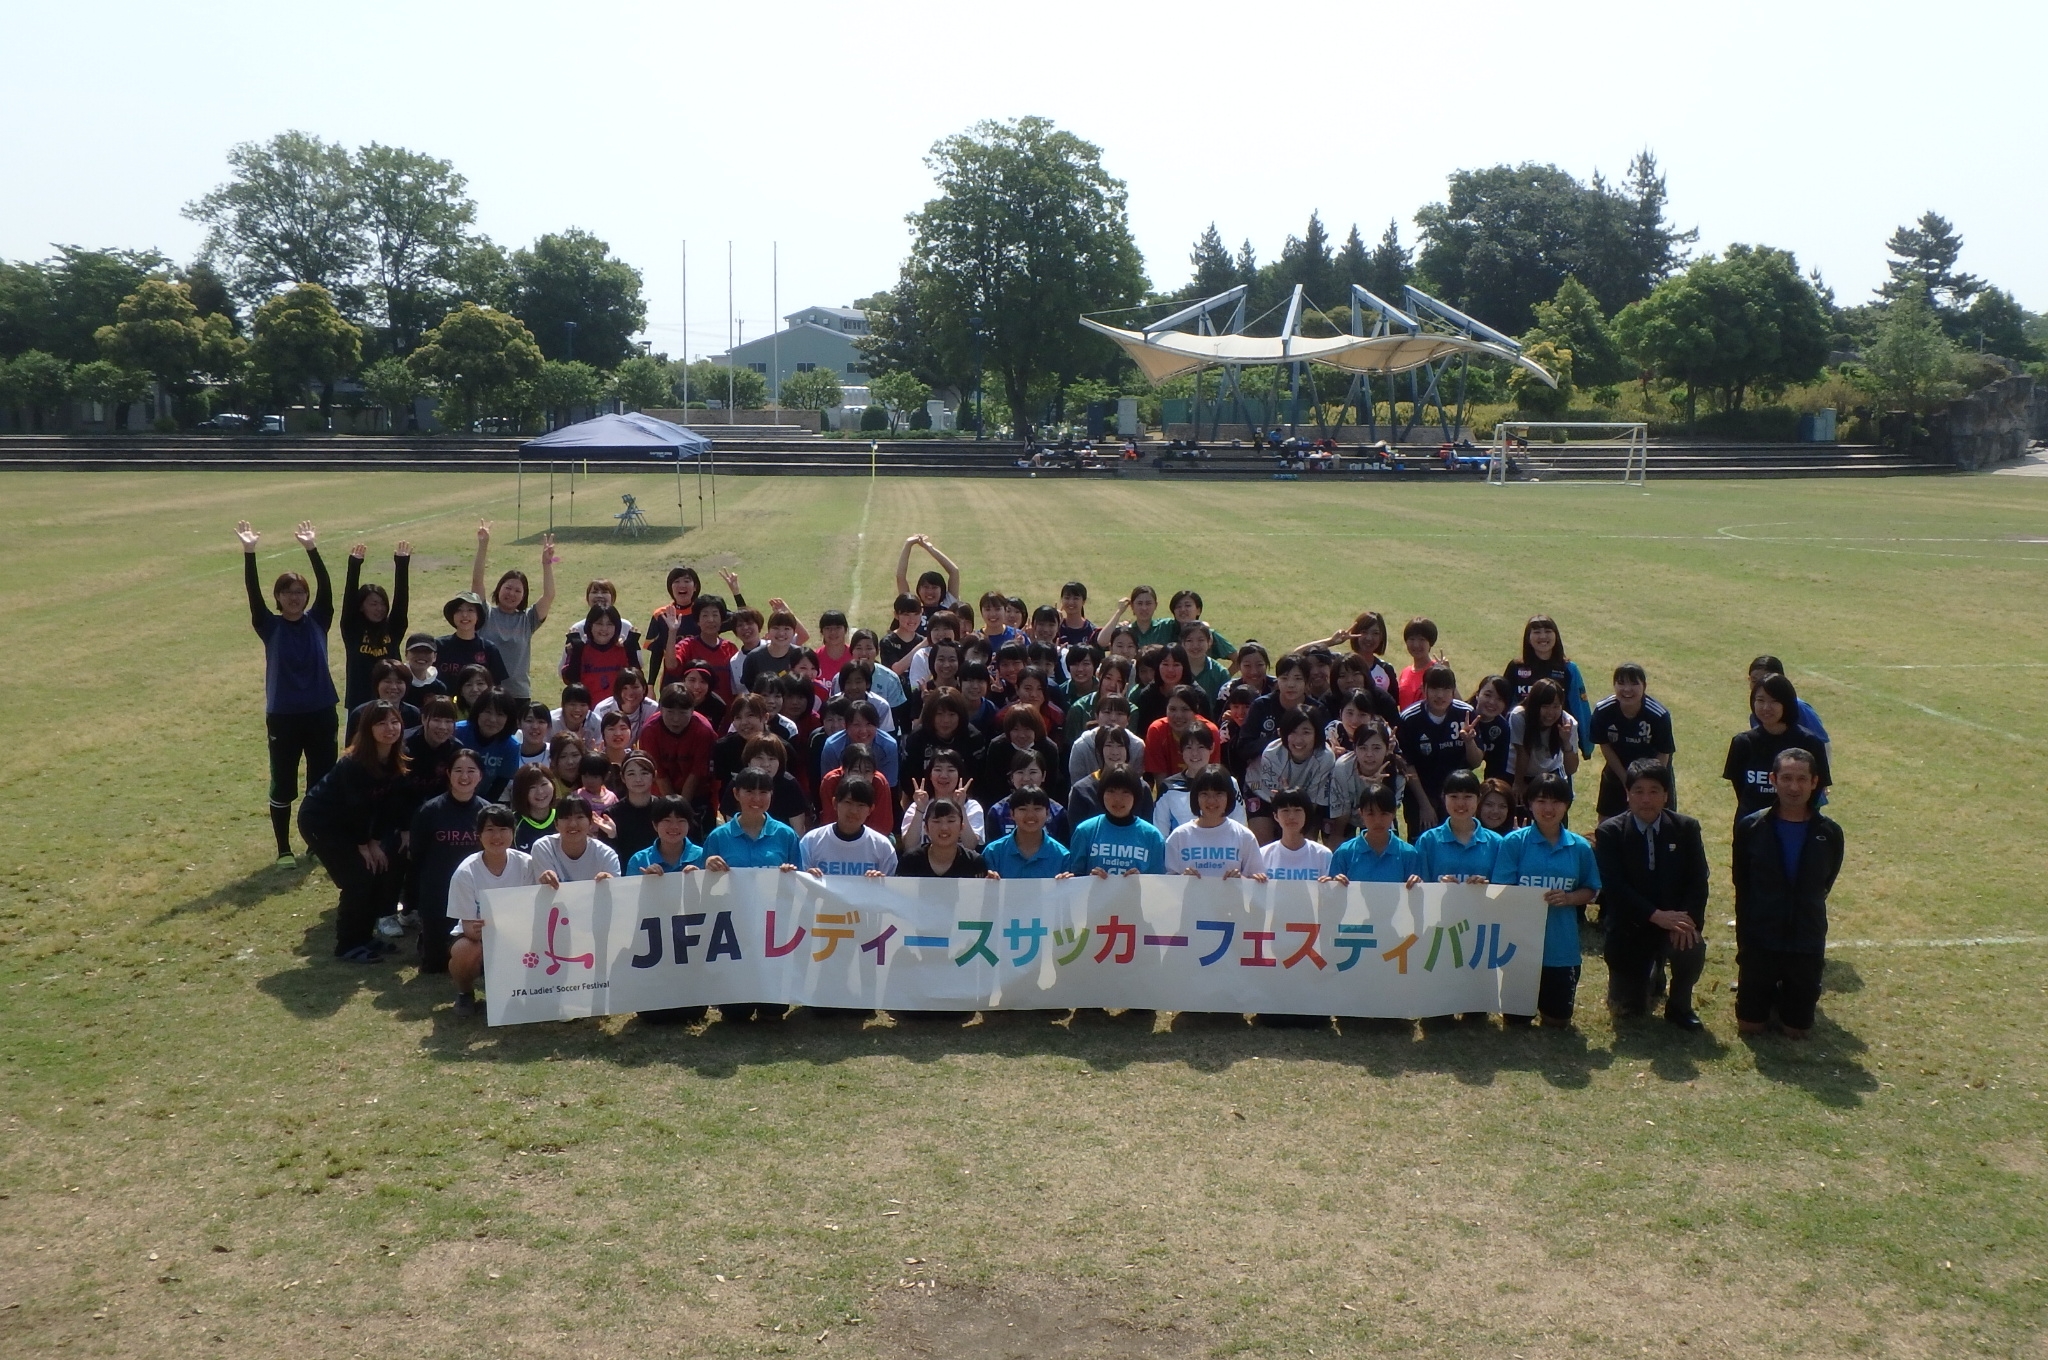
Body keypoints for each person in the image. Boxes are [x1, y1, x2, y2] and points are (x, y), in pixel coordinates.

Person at [238, 519, 339, 866]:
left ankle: (316, 841)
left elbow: (327, 586)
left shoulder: (319, 619)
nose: (294, 598)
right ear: (278, 598)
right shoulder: (269, 625)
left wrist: (311, 548)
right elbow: (252, 593)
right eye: (288, 592)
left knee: (321, 780)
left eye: (300, 592)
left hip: (322, 710)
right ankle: (283, 849)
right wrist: (249, 553)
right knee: (283, 784)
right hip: (283, 715)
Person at [1731, 748, 1844, 1040]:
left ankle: (1787, 996)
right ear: (1773, 780)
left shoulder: (1830, 833)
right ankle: (1764, 993)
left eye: (1802, 779)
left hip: (1805, 940)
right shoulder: (1752, 827)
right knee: (1750, 1027)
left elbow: (1826, 882)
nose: (1794, 787)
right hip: (1761, 938)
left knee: (1797, 1030)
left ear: (1815, 782)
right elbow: (1742, 885)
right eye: (1787, 778)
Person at [1594, 760, 1710, 1031]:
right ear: (1627, 794)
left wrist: (1687, 920)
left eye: (1654, 791)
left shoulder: (1686, 828)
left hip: (1674, 923)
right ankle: (1651, 975)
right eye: (1638, 791)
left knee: (1691, 946)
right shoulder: (1610, 832)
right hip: (1630, 927)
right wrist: (1656, 916)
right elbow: (1615, 888)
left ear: (1666, 795)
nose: (1646, 799)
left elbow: (1698, 880)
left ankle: (1680, 1005)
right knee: (1628, 1010)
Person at [296, 699, 409, 961]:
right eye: (381, 723)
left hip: (352, 826)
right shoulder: (354, 764)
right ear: (368, 729)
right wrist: (364, 845)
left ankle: (366, 937)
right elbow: (354, 808)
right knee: (357, 877)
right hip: (321, 823)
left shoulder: (394, 758)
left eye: (394, 722)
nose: (389, 728)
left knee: (376, 872)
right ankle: (347, 944)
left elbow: (386, 806)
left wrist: (377, 841)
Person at [1490, 773, 1601, 1026]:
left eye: (1556, 802)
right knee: (1516, 1022)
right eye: (1541, 801)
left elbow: (1592, 889)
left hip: (1561, 949)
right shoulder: (1514, 843)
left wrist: (1570, 897)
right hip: (1519, 948)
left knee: (1558, 1022)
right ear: (1529, 804)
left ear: (1567, 805)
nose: (1548, 809)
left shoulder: (1579, 847)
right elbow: (1500, 889)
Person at [446, 804, 538, 1018]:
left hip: (518, 935)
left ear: (513, 833)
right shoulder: (465, 872)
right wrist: (480, 931)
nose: (497, 836)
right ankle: (465, 993)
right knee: (464, 951)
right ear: (478, 835)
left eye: (503, 829)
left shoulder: (527, 864)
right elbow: (468, 926)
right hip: (480, 938)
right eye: (490, 830)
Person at [405, 748, 489, 972]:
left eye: (471, 771)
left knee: (479, 964)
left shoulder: (488, 813)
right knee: (436, 966)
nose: (464, 777)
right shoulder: (429, 812)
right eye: (458, 770)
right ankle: (427, 940)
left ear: (480, 775)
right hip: (438, 895)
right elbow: (417, 856)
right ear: (448, 773)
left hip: (476, 896)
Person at [1722, 673, 1832, 832]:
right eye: (1760, 700)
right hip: (1752, 829)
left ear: (1786, 703)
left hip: (1799, 827)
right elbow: (1741, 790)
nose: (1766, 707)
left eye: (1774, 701)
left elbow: (1817, 787)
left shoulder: (1810, 743)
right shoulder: (1743, 743)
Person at [469, 520, 557, 700]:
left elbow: (548, 596)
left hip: (518, 695)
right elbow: (477, 583)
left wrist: (547, 564)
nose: (511, 594)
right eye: (508, 588)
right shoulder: (485, 614)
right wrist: (483, 545)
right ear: (499, 589)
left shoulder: (528, 620)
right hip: (486, 694)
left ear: (523, 596)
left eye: (518, 591)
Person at [1397, 665, 1478, 839]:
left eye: (1446, 689)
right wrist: (1425, 805)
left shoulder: (1466, 714)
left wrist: (1469, 742)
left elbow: (1476, 762)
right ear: (1423, 689)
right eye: (1434, 688)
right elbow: (1408, 766)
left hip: (1458, 792)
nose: (1440, 695)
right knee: (1422, 845)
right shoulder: (1409, 719)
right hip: (1422, 794)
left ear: (1453, 690)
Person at [1591, 663, 1676, 819]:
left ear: (1644, 686)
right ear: (1614, 685)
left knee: (1658, 823)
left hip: (1653, 774)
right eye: (1621, 683)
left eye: (1634, 683)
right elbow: (1605, 745)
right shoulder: (1603, 710)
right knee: (1606, 824)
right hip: (1618, 772)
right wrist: (1627, 780)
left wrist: (1647, 785)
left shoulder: (1658, 715)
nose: (1627, 689)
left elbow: (1664, 753)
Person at [1503, 615, 1594, 755]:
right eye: (1537, 632)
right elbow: (1504, 703)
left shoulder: (1569, 669)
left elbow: (1579, 707)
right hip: (1521, 740)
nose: (1543, 636)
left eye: (1548, 631)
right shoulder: (1516, 667)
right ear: (1528, 637)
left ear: (1556, 636)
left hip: (1557, 741)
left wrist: (1586, 746)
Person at [340, 540, 411, 711]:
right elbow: (349, 599)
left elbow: (401, 601)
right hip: (360, 703)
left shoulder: (393, 628)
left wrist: (401, 564)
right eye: (373, 604)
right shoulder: (352, 629)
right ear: (361, 606)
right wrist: (354, 565)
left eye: (382, 604)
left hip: (392, 702)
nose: (379, 609)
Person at [1247, 707, 1335, 843]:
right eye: (1293, 732)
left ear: (1317, 734)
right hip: (1262, 791)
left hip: (1305, 799)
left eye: (1306, 732)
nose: (1298, 740)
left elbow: (1312, 803)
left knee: (1304, 841)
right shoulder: (1272, 753)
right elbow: (1278, 801)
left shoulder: (1325, 757)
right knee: (1263, 842)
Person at [1061, 768, 1167, 877]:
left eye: (1125, 792)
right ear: (1101, 794)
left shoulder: (1153, 836)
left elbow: (1158, 884)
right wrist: (1089, 879)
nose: (1117, 799)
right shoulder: (1085, 831)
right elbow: (1074, 879)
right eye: (1111, 791)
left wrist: (1141, 881)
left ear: (1136, 796)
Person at [1163, 767, 1263, 878]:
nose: (1211, 801)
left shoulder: (1245, 836)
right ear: (1196, 797)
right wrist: (1182, 879)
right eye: (1204, 794)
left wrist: (1241, 880)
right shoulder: (1179, 837)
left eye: (1218, 794)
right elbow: (1168, 885)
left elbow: (1257, 884)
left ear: (1229, 796)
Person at [702, 767, 803, 870]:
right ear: (736, 794)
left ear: (771, 794)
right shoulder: (718, 837)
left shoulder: (786, 835)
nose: (757, 799)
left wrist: (790, 871)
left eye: (763, 792)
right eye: (749, 791)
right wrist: (708, 865)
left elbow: (800, 878)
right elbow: (701, 879)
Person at [1414, 771, 1502, 885]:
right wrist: (1437, 888)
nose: (1460, 803)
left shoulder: (1496, 842)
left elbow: (1503, 889)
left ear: (1479, 799)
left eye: (1467, 797)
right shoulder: (1428, 841)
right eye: (1454, 796)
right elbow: (1420, 886)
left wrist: (1486, 886)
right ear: (1443, 798)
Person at [797, 777, 898, 877]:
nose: (853, 811)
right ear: (835, 803)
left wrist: (881, 881)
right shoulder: (811, 841)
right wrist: (807, 876)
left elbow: (892, 889)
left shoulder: (882, 847)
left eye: (861, 805)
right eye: (848, 803)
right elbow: (798, 884)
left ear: (870, 809)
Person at [1507, 679, 1581, 813]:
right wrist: (1518, 783)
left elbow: (1571, 769)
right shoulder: (1519, 716)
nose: (1551, 713)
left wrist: (1566, 742)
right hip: (1518, 771)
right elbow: (1522, 752)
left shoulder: (1569, 723)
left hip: (1551, 773)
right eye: (1545, 706)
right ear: (1535, 705)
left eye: (1556, 706)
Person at [639, 683, 716, 811]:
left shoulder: (703, 731)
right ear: (661, 709)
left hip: (697, 793)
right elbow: (659, 774)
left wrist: (682, 809)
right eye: (670, 712)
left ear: (692, 710)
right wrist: (672, 808)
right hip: (660, 793)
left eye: (682, 713)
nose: (676, 719)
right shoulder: (650, 731)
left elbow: (696, 774)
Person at [1325, 782, 1419, 884]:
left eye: (1384, 814)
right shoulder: (1345, 853)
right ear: (1361, 814)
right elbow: (1333, 896)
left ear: (1394, 813)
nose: (1377, 821)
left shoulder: (1408, 854)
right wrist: (1333, 884)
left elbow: (1417, 895)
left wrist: (1417, 885)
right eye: (1371, 814)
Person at [900, 749, 985, 850]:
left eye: (951, 770)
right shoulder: (917, 806)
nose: (944, 775)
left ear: (959, 775)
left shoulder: (972, 807)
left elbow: (971, 845)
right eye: (938, 770)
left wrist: (961, 807)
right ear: (930, 775)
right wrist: (920, 810)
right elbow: (909, 846)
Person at [531, 794, 622, 885]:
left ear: (590, 823)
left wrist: (611, 883)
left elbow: (616, 894)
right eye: (566, 818)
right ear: (556, 824)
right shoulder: (544, 848)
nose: (573, 824)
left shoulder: (606, 855)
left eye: (580, 817)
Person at [982, 785, 1068, 878]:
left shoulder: (1062, 855)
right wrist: (987, 881)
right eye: (1023, 809)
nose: (1030, 815)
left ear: (1047, 813)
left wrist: (1066, 884)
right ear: (1012, 814)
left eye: (1037, 809)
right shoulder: (993, 852)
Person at [454, 689, 521, 802]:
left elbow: (500, 783)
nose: (492, 719)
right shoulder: (457, 732)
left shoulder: (511, 746)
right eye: (488, 712)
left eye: (500, 714)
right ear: (478, 712)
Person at [896, 798, 989, 878]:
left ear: (961, 827)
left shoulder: (974, 862)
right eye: (936, 821)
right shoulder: (910, 861)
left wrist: (992, 883)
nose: (944, 827)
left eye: (951, 821)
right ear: (926, 828)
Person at [1255, 787, 1334, 882]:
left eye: (1297, 810)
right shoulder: (1263, 855)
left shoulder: (1323, 855)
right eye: (1285, 810)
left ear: (1306, 814)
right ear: (1276, 816)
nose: (1291, 816)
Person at [436, 592, 508, 687]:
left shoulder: (489, 649)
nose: (465, 615)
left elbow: (496, 686)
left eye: (470, 610)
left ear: (478, 616)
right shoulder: (439, 646)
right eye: (459, 610)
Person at [625, 795, 706, 875]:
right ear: (655, 825)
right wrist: (646, 881)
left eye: (681, 821)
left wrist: (700, 877)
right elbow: (630, 887)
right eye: (667, 820)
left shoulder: (703, 857)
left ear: (689, 825)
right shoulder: (639, 861)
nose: (674, 826)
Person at [894, 534, 963, 618]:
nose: (930, 592)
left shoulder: (949, 605)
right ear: (919, 590)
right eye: (926, 587)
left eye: (934, 587)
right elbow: (900, 577)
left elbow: (954, 571)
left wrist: (929, 548)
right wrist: (908, 544)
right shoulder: (912, 609)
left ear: (942, 590)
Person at [592, 667, 660, 741]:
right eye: (625, 688)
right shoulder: (602, 710)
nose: (630, 693)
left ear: (643, 689)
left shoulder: (653, 709)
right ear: (618, 690)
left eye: (635, 687)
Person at [1394, 617, 1443, 710]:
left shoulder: (1437, 670)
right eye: (1412, 639)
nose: (1416, 644)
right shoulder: (1405, 672)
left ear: (1430, 643)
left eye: (1422, 639)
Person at [508, 763, 559, 850]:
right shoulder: (511, 822)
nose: (540, 792)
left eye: (544, 784)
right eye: (532, 787)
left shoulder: (563, 817)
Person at [402, 632, 448, 709]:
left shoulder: (439, 688)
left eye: (427, 651)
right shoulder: (398, 682)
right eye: (416, 651)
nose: (421, 655)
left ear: (435, 657)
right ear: (406, 654)